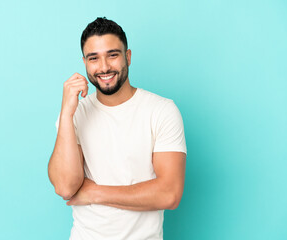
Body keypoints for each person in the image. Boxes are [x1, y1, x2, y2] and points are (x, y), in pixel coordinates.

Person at [48, 17, 187, 240]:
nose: (104, 67)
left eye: (112, 55)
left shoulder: (161, 110)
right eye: (94, 58)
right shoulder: (75, 113)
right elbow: (65, 187)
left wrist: (94, 193)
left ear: (128, 57)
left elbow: (169, 194)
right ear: (85, 63)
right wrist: (66, 114)